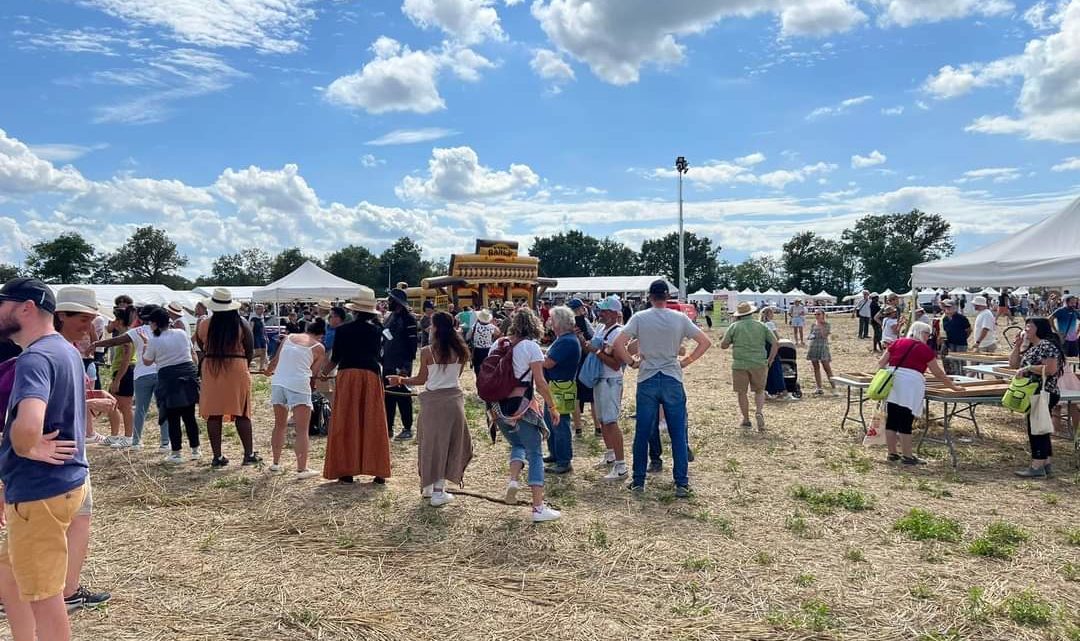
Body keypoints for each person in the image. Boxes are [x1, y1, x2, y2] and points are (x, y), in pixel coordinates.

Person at [0, 278, 91, 641]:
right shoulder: (63, 350)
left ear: (26, 307)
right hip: (62, 485)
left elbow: (30, 423)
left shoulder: (34, 358)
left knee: (43, 594)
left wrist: (28, 447)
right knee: (10, 568)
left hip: (39, 491)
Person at [614, 280, 712, 497]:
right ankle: (681, 483)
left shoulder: (640, 318)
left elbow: (618, 344)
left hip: (647, 377)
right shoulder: (679, 318)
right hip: (672, 376)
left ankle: (639, 480)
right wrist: (686, 361)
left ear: (650, 297)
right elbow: (704, 342)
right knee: (677, 433)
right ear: (667, 297)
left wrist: (631, 362)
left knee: (642, 431)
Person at [388, 311, 473, 507]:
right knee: (448, 445)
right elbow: (456, 377)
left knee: (430, 445)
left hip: (433, 404)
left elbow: (421, 379)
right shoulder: (461, 350)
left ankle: (432, 489)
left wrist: (400, 380)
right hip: (453, 402)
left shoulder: (427, 351)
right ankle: (437, 489)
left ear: (436, 328)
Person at [492, 308, 561, 522]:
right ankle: (538, 508)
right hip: (522, 406)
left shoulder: (500, 343)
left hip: (499, 407)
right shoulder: (531, 347)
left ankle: (513, 480)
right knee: (535, 453)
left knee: (517, 444)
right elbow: (540, 383)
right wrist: (552, 406)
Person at [320, 289, 390, 485]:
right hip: (370, 375)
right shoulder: (377, 331)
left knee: (346, 420)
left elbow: (335, 358)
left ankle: (346, 470)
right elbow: (377, 356)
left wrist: (322, 374)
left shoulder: (343, 330)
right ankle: (378, 470)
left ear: (355, 311)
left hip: (348, 375)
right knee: (373, 420)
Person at [876, 322, 963, 465]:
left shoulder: (897, 342)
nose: (928, 337)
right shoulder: (924, 349)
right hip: (909, 386)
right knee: (905, 421)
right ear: (921, 333)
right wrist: (953, 386)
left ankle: (892, 453)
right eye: (927, 334)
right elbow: (938, 373)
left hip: (893, 382)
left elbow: (881, 362)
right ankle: (907, 456)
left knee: (892, 420)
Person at [196, 288, 259, 468]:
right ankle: (248, 454)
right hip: (237, 366)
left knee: (213, 413)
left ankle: (217, 456)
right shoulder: (241, 323)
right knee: (242, 412)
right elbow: (250, 349)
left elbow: (201, 344)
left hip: (212, 366)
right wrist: (242, 364)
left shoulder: (205, 324)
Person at [92, 306, 168, 451]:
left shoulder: (135, 332)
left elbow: (117, 345)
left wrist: (96, 344)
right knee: (160, 408)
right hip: (160, 372)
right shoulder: (166, 332)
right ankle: (164, 443)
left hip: (138, 373)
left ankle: (134, 440)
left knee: (136, 408)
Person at [263, 318, 325, 479]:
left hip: (278, 382)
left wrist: (268, 371)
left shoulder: (289, 337)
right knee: (302, 430)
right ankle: (302, 468)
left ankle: (275, 463)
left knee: (279, 425)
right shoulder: (319, 347)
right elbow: (313, 373)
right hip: (298, 384)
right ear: (321, 335)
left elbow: (275, 361)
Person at [140, 307, 201, 464]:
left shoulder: (154, 340)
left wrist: (146, 344)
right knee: (189, 416)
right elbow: (192, 354)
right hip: (188, 375)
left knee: (172, 416)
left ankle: (177, 453)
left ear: (154, 324)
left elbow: (147, 361)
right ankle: (195, 449)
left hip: (168, 379)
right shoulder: (181, 333)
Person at [1009, 318, 1063, 478]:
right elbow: (1013, 364)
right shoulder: (1033, 347)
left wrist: (1029, 367)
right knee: (1041, 428)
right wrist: (1017, 346)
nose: (1025, 329)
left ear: (1038, 329)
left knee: (1037, 430)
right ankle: (1045, 464)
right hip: (1034, 392)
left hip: (1044, 392)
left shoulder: (1046, 345)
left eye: (1029, 326)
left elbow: (1051, 369)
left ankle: (1037, 466)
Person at [589, 296, 629, 480]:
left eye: (604, 311)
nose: (600, 313)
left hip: (611, 381)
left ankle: (621, 465)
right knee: (603, 420)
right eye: (600, 310)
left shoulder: (618, 333)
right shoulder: (601, 328)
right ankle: (611, 454)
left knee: (611, 421)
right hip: (600, 378)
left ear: (614, 314)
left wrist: (595, 350)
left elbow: (616, 364)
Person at [720, 302, 777, 429]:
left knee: (742, 392)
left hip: (740, 363)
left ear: (739, 315)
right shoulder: (761, 325)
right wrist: (770, 359)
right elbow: (775, 342)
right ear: (751, 313)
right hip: (759, 362)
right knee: (759, 390)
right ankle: (759, 411)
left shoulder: (734, 326)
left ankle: (746, 419)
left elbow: (723, 345)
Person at [540, 306, 580, 475]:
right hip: (559, 386)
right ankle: (555, 454)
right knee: (551, 421)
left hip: (560, 387)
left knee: (560, 424)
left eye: (552, 320)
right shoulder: (566, 339)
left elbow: (549, 362)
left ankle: (563, 460)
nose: (550, 323)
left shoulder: (566, 341)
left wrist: (536, 356)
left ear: (559, 323)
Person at [383, 288, 419, 441]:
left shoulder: (409, 319)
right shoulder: (390, 317)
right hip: (388, 362)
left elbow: (412, 345)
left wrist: (406, 366)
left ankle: (407, 428)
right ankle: (388, 427)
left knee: (403, 396)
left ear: (396, 302)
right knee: (388, 397)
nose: (387, 302)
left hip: (401, 364)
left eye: (390, 299)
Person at [105, 306, 136, 447]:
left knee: (125, 406)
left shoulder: (126, 336)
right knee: (113, 404)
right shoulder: (124, 333)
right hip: (121, 371)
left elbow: (126, 358)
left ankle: (129, 437)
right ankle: (115, 435)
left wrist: (117, 380)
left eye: (116, 318)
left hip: (125, 371)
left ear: (121, 320)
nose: (114, 321)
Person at [568, 298, 598, 437]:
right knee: (592, 396)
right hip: (586, 362)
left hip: (573, 361)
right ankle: (597, 428)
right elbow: (594, 338)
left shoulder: (565, 323)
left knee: (576, 396)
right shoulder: (584, 322)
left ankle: (578, 428)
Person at [760, 307, 793, 402]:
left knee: (767, 369)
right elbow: (776, 338)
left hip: (763, 348)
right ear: (768, 314)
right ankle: (782, 391)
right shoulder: (770, 324)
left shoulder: (761, 324)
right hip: (771, 347)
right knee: (776, 368)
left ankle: (768, 390)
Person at [807, 309, 838, 396]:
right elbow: (811, 334)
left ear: (823, 315)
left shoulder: (827, 324)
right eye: (815, 314)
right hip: (814, 346)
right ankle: (819, 387)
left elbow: (824, 335)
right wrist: (810, 337)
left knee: (827, 368)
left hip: (823, 346)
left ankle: (834, 388)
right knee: (816, 368)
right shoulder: (813, 325)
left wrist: (820, 325)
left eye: (818, 314)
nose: (816, 316)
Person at [939, 299, 971, 375]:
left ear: (954, 308)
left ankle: (963, 375)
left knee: (961, 361)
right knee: (953, 361)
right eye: (946, 307)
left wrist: (963, 337)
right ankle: (956, 375)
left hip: (961, 343)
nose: (947, 309)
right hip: (950, 343)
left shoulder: (962, 318)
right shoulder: (945, 319)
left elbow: (969, 330)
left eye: (949, 307)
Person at [467, 308, 499, 377]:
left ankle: (478, 380)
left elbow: (469, 336)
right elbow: (498, 333)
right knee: (487, 368)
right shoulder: (491, 327)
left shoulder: (475, 326)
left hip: (477, 350)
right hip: (488, 350)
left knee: (477, 368)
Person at [249, 304, 269, 372]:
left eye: (262, 309)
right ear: (256, 310)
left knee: (264, 351)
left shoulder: (262, 318)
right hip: (256, 336)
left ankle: (261, 367)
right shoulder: (253, 319)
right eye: (259, 309)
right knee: (258, 352)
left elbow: (263, 329)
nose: (261, 310)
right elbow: (251, 329)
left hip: (262, 336)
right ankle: (247, 360)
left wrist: (266, 337)